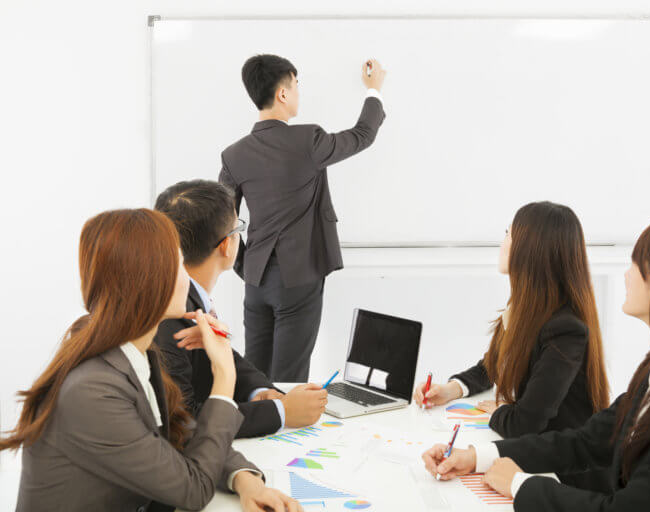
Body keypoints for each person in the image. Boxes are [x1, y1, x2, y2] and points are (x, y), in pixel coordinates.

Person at [422, 212, 650, 511]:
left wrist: (519, 485)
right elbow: (587, 441)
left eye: (636, 263)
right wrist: (478, 457)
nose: (626, 274)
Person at [1, 209, 300, 512]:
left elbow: (182, 432)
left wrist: (245, 480)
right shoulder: (92, 390)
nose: (188, 274)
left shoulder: (135, 353)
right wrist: (224, 375)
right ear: (151, 281)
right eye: (180, 263)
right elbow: (192, 489)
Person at [413, 201, 610, 490]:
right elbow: (492, 365)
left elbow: (525, 423)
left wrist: (498, 412)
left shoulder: (566, 328)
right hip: (539, 459)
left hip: (567, 476)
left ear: (531, 250)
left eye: (509, 234)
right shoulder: (529, 309)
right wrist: (451, 389)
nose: (503, 242)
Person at [219, 54, 387, 381]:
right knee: (289, 381)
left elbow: (223, 219)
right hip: (298, 279)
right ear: (282, 93)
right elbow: (362, 135)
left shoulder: (234, 154)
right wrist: (374, 90)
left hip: (255, 281)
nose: (298, 93)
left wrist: (246, 266)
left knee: (254, 376)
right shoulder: (307, 140)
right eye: (296, 85)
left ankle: (256, 425)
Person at [154, 180, 328, 437]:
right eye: (239, 228)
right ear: (226, 245)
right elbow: (184, 420)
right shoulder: (169, 314)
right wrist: (281, 412)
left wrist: (261, 392)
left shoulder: (190, 295)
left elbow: (220, 354)